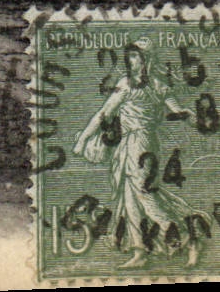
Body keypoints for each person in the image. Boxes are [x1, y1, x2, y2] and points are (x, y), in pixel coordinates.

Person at [73, 40, 201, 268]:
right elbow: (105, 114)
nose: (130, 60)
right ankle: (139, 251)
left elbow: (177, 110)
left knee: (145, 195)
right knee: (130, 198)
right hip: (130, 143)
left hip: (141, 144)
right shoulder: (134, 84)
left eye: (135, 56)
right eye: (129, 56)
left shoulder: (147, 86)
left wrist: (83, 140)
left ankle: (189, 238)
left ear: (146, 59)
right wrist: (83, 138)